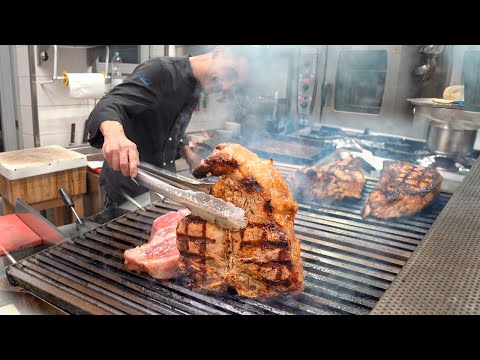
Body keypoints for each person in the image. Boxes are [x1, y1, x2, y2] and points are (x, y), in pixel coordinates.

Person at [86, 45, 251, 207]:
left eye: (234, 83)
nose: (227, 86)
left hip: (163, 190)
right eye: (229, 73)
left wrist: (190, 157)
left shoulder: (195, 85)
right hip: (128, 191)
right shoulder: (161, 71)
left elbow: (172, 128)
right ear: (218, 52)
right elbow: (110, 104)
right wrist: (115, 136)